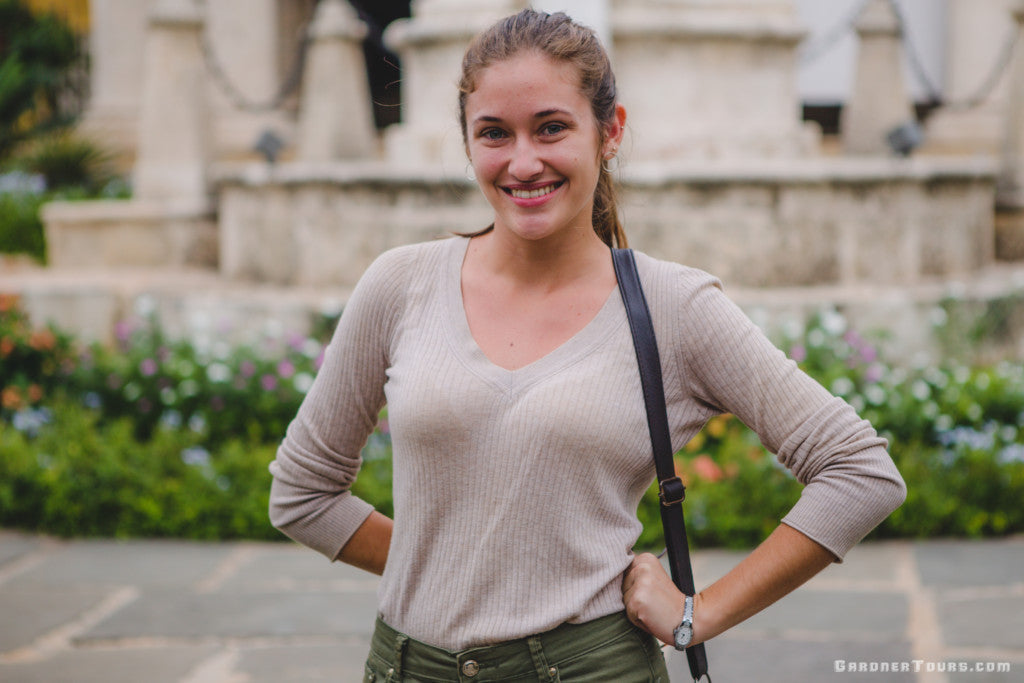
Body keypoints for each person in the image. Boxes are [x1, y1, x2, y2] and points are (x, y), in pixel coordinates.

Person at [268, 9, 906, 682]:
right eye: (493, 133)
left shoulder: (672, 306)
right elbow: (303, 493)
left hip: (589, 669)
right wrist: (446, 563)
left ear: (610, 132)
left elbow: (859, 472)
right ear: (466, 142)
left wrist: (700, 613)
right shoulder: (401, 284)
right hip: (405, 668)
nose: (522, 161)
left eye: (551, 127)